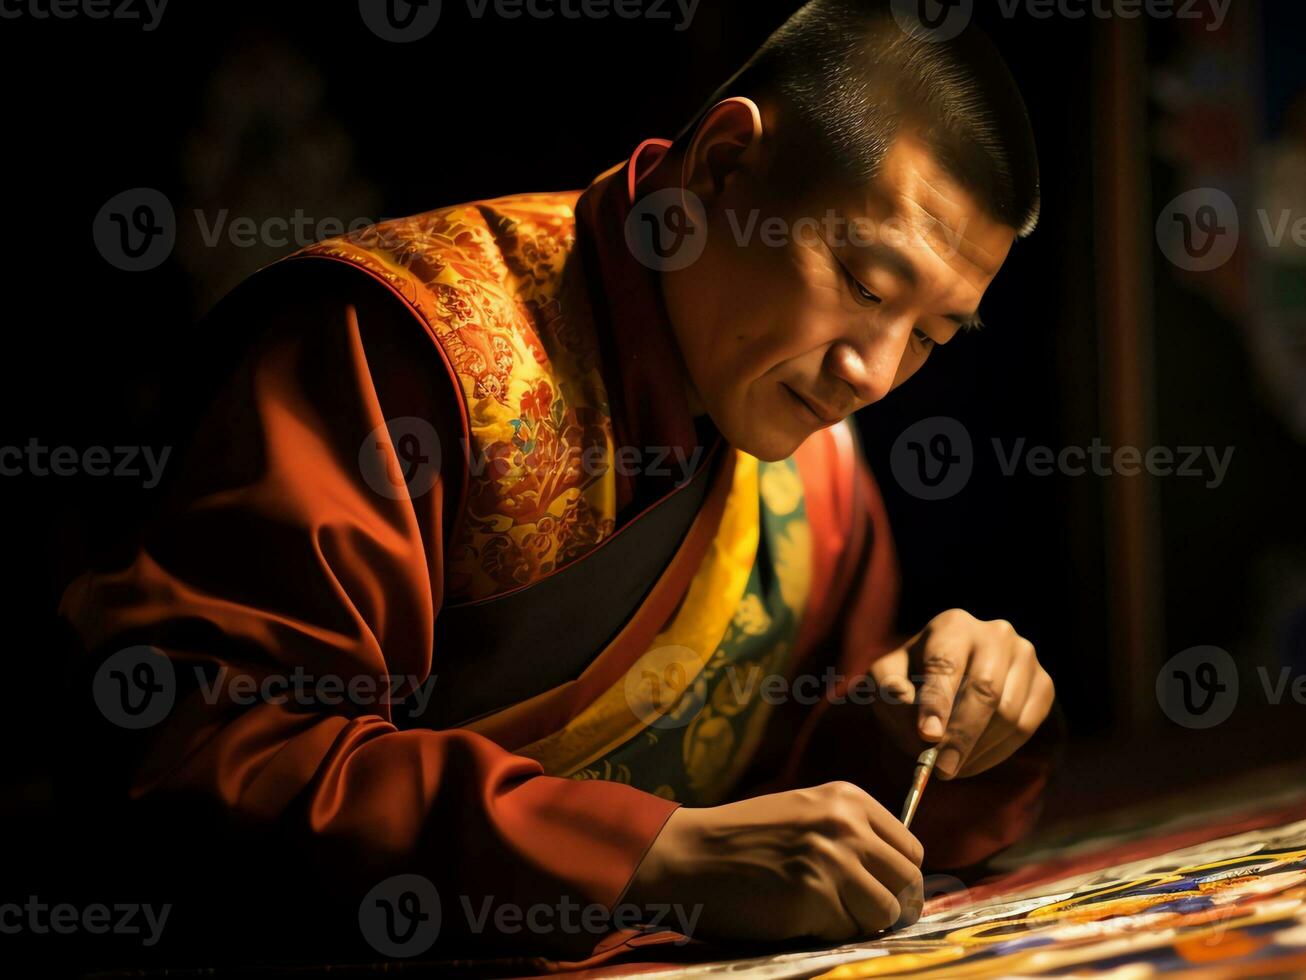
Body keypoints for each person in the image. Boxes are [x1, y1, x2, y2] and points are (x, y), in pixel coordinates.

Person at [60, 0, 1057, 963]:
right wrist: (646, 853)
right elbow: (211, 754)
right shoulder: (407, 350)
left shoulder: (812, 468)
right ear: (722, 165)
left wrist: (930, 730)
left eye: (927, 336)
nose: (873, 375)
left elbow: (800, 807)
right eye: (865, 288)